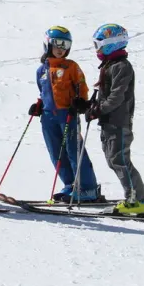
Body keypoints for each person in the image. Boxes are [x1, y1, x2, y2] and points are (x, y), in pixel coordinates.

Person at [85, 24, 144, 215]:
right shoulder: (111, 65)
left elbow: (117, 97)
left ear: (110, 45)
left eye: (98, 44)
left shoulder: (122, 66)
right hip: (110, 122)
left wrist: (99, 109)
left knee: (120, 160)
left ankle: (138, 201)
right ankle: (138, 197)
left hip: (118, 123)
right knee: (114, 160)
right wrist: (90, 107)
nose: (96, 49)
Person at [28, 26, 100, 202]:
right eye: (57, 44)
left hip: (67, 113)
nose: (61, 49)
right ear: (48, 44)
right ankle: (70, 185)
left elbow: (81, 86)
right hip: (48, 116)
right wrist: (39, 105)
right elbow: (44, 91)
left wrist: (81, 102)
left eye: (65, 45)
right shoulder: (41, 70)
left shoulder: (71, 66)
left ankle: (87, 188)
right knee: (56, 153)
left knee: (73, 150)